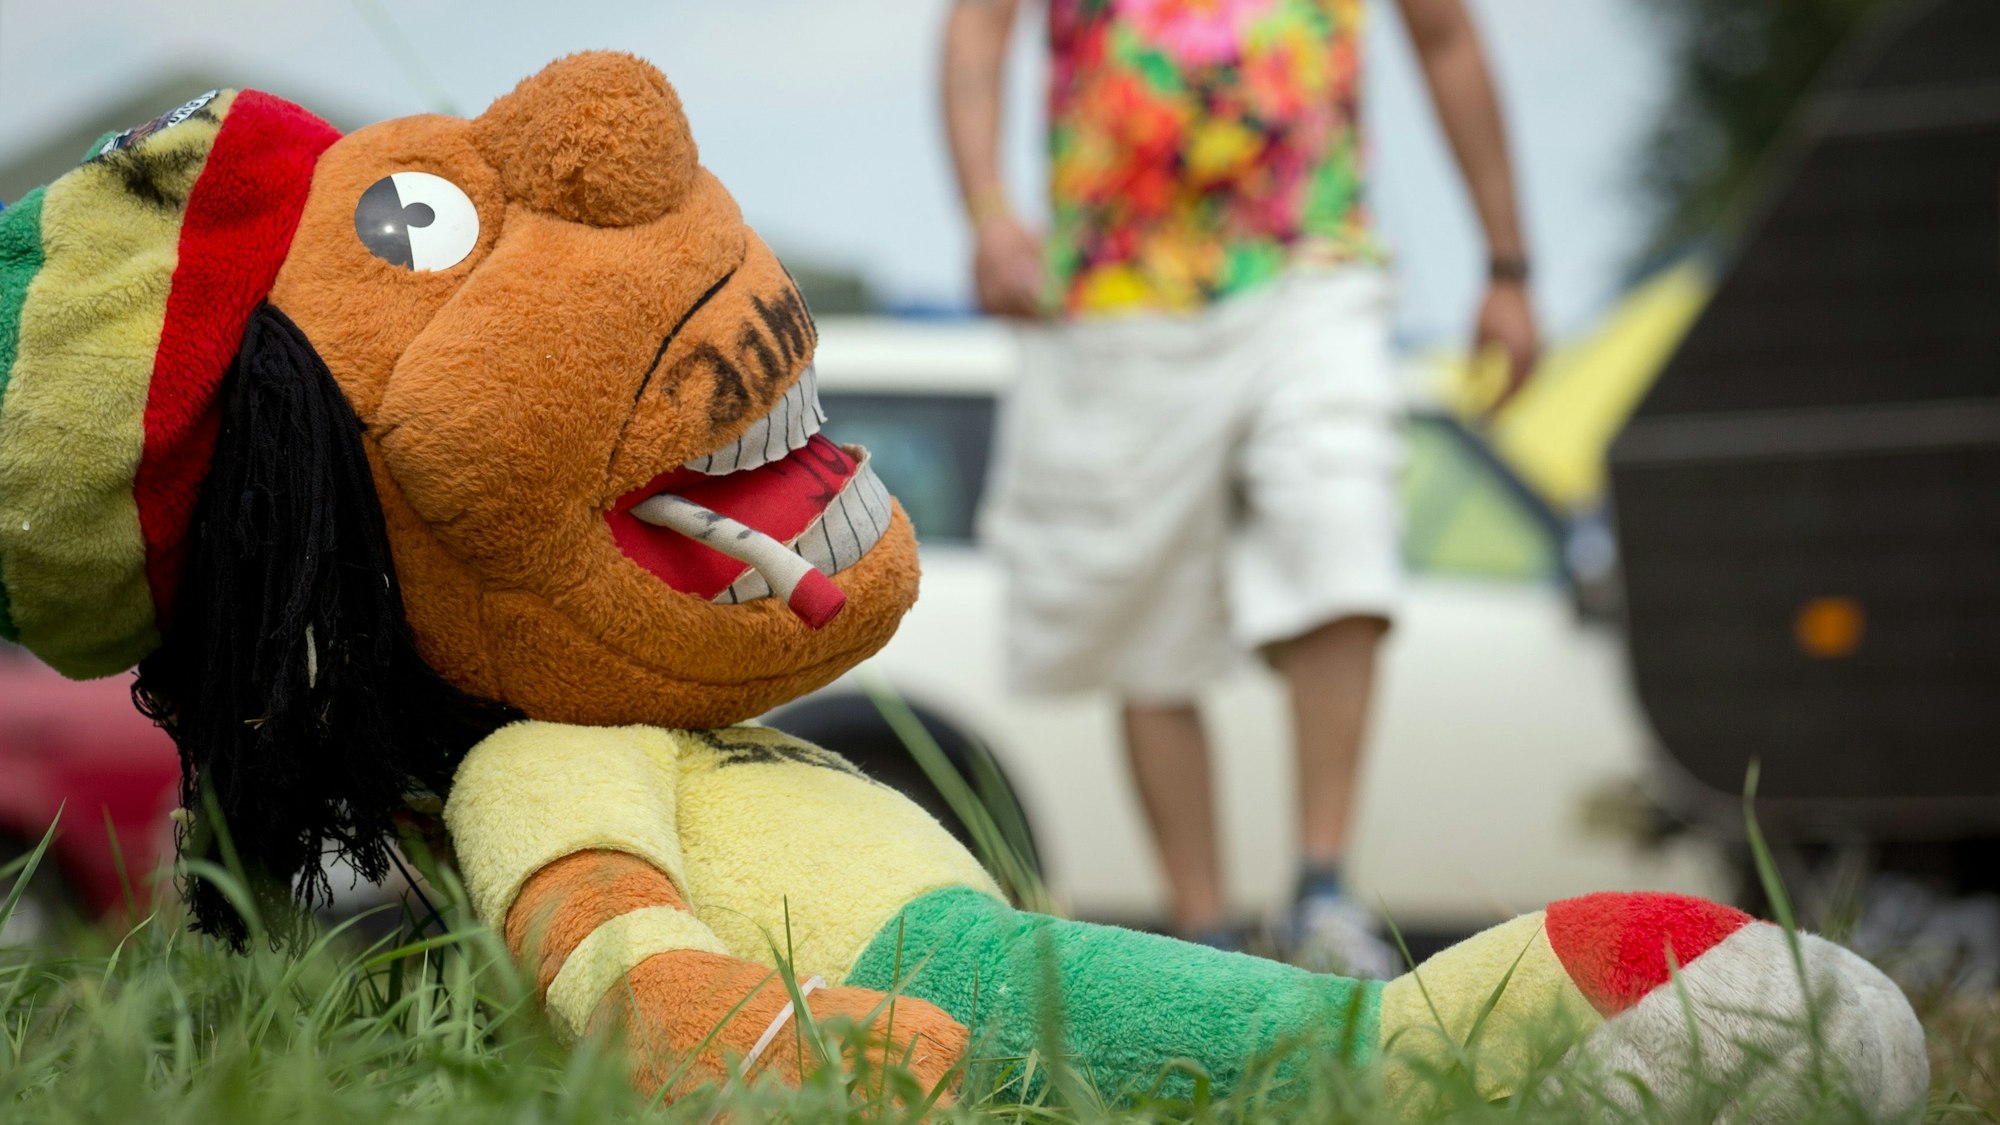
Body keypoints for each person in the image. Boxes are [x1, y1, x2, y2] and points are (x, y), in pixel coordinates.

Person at [941, 0, 1539, 973]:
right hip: (1112, 286)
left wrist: (1507, 265)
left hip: (1309, 260)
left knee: (1337, 520)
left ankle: (1320, 897)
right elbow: (977, 27)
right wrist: (986, 210)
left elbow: (1445, 34)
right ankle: (1208, 939)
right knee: (1148, 624)